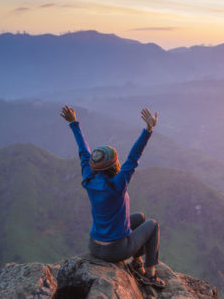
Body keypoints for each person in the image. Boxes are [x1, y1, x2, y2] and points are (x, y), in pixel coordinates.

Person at [60, 105, 165, 288]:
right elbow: (134, 156)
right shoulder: (118, 184)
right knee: (153, 224)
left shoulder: (89, 179)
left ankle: (137, 262)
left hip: (94, 246)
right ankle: (149, 275)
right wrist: (148, 129)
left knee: (140, 217)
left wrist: (74, 123)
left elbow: (84, 153)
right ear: (115, 166)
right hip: (116, 250)